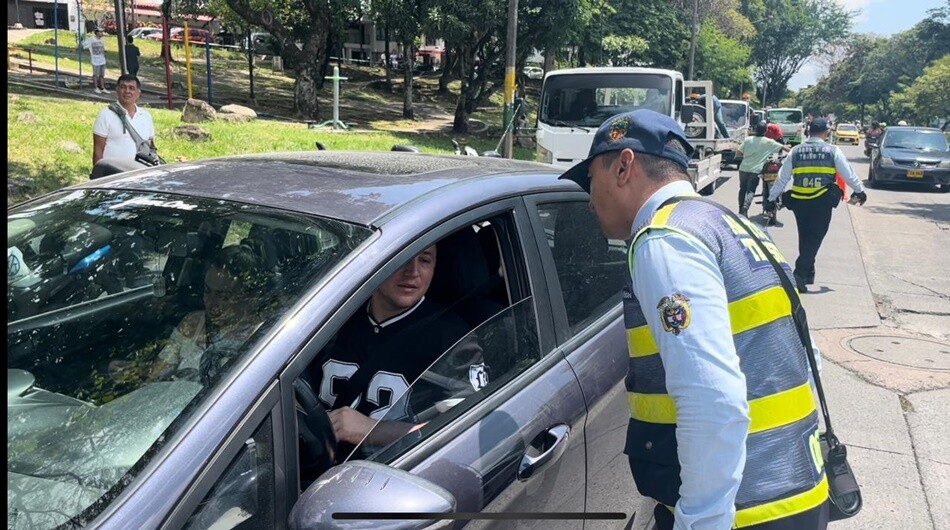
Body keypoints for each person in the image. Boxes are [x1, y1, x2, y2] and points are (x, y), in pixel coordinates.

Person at [559, 109, 830, 530]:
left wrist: (702, 521)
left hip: (742, 511)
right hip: (795, 490)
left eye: (591, 178)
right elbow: (803, 352)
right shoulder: (732, 224)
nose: (590, 198)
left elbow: (712, 398)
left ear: (624, 166)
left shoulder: (665, 240)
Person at [310, 244, 473, 450]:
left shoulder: (454, 338)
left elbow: (466, 427)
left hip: (396, 473)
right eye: (401, 257)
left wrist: (372, 431)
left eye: (424, 260)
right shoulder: (330, 320)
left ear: (434, 267)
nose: (412, 272)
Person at [767, 118, 867, 292]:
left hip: (799, 201)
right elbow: (848, 174)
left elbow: (783, 177)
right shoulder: (832, 151)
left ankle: (808, 273)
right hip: (821, 201)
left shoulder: (795, 151)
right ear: (826, 133)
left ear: (808, 132)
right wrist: (860, 190)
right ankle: (798, 274)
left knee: (805, 235)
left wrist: (771, 199)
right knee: (815, 238)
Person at [92, 74, 156, 166]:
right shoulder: (106, 114)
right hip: (113, 173)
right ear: (117, 91)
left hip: (140, 173)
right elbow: (98, 150)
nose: (127, 91)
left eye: (131, 88)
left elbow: (151, 147)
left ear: (138, 93)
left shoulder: (146, 116)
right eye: (123, 87)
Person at [737, 120, 790, 219]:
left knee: (742, 189)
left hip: (743, 169)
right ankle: (745, 208)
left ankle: (741, 210)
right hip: (756, 170)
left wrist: (746, 156)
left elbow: (739, 152)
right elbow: (785, 149)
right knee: (750, 191)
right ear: (765, 131)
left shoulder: (748, 139)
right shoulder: (769, 142)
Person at [82, 28, 109, 94]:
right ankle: (96, 88)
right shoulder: (91, 40)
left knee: (102, 75)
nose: (102, 33)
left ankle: (102, 87)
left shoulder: (102, 40)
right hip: (95, 60)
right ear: (96, 33)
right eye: (100, 32)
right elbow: (84, 45)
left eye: (102, 32)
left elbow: (103, 48)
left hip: (102, 59)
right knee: (95, 75)